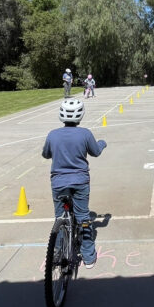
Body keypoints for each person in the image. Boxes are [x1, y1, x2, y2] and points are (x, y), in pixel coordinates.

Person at [41, 98, 106, 268]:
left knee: (60, 216)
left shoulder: (52, 134)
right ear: (80, 115)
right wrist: (102, 143)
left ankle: (57, 250)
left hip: (58, 182)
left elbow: (46, 154)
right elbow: (96, 152)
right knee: (83, 217)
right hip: (80, 181)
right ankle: (89, 257)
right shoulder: (85, 133)